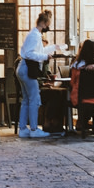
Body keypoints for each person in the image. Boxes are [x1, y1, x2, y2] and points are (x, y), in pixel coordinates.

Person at [17, 9, 66, 139]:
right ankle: (33, 129)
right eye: (48, 24)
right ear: (43, 23)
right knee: (34, 99)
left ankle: (22, 128)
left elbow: (36, 50)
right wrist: (45, 56)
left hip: (23, 68)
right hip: (28, 68)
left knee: (27, 99)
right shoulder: (34, 35)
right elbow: (29, 54)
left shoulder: (35, 34)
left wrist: (54, 48)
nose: (48, 27)